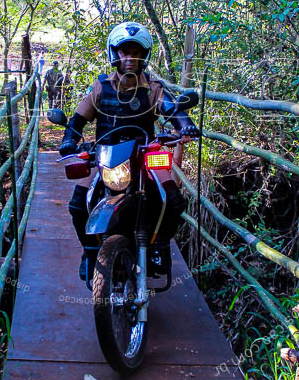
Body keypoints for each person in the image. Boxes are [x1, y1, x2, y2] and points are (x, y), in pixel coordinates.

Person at [58, 21, 200, 283]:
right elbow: (78, 120)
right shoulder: (100, 87)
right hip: (105, 153)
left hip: (144, 152)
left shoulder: (153, 87)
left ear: (144, 55)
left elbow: (172, 109)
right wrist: (69, 140)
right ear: (115, 53)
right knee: (78, 205)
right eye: (125, 51)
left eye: (136, 52)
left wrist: (186, 125)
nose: (130, 57)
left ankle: (159, 247)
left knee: (173, 200)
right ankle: (90, 252)